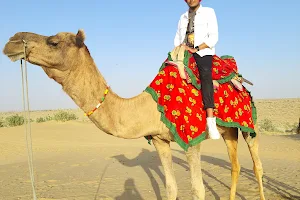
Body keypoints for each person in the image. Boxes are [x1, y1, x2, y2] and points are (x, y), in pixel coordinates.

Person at [174, 0, 220, 139]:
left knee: (205, 75)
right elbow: (177, 38)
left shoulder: (209, 12)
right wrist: (180, 47)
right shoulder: (182, 17)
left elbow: (214, 37)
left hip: (202, 52)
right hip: (184, 51)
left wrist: (196, 49)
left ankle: (210, 120)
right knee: (168, 72)